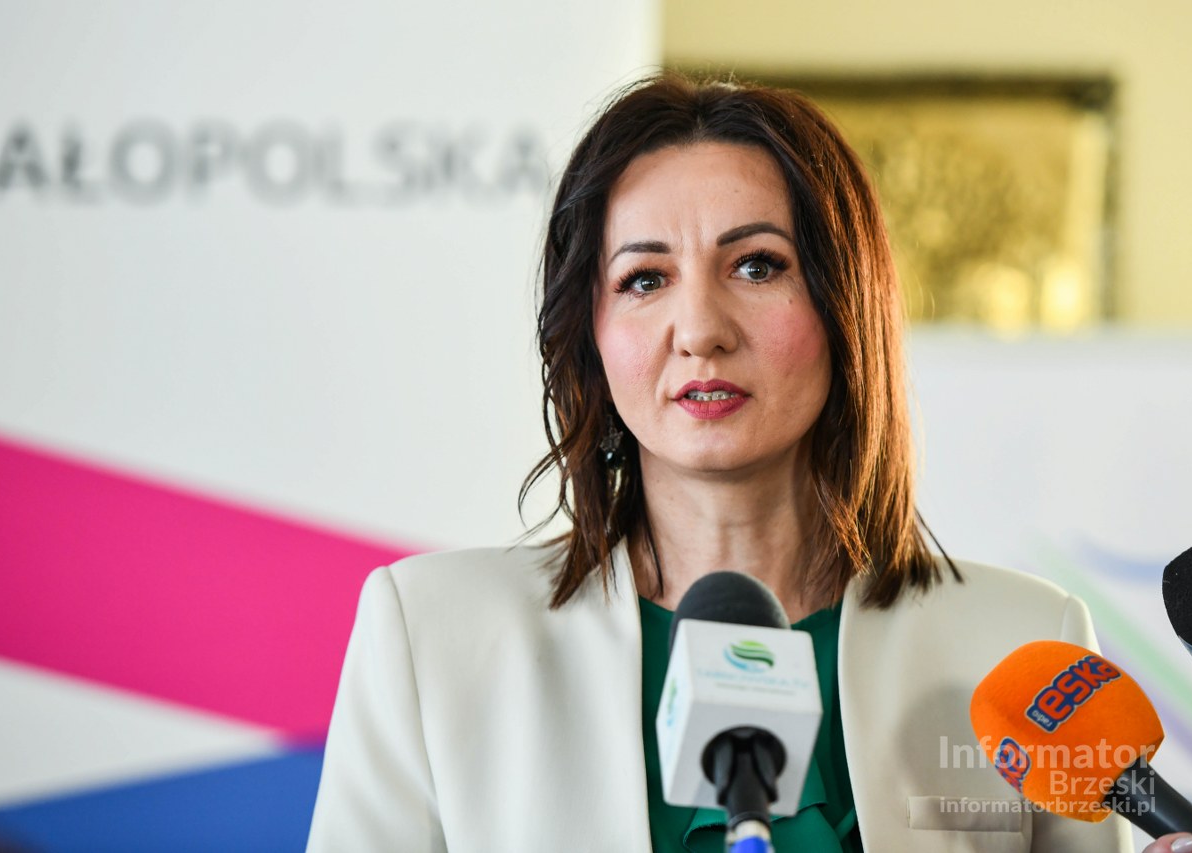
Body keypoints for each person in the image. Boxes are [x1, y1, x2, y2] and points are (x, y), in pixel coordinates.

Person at [305, 73, 1137, 851]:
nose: (700, 328)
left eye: (756, 265)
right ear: (589, 336)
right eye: (644, 279)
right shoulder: (432, 634)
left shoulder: (1026, 641)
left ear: (845, 308)